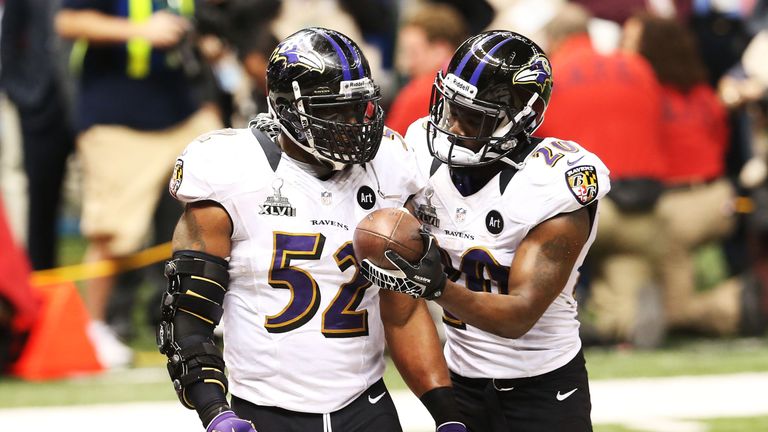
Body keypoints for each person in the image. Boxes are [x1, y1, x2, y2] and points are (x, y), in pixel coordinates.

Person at [158, 27, 467, 432]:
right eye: (335, 111)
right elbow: (188, 313)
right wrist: (216, 413)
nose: (354, 123)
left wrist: (447, 415)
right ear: (286, 109)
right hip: (264, 409)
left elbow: (404, 313)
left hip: (366, 404)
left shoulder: (390, 166)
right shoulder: (231, 170)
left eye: (358, 108)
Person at [360, 30, 610, 431]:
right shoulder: (422, 153)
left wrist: (438, 287)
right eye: (450, 108)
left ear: (521, 117)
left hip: (543, 388)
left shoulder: (551, 181)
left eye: (473, 117)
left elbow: (518, 317)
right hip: (462, 380)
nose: (454, 127)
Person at [55, 0, 223, 368]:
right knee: (114, 232)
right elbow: (66, 20)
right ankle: (94, 328)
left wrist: (208, 42)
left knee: (231, 207)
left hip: (185, 109)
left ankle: (226, 315)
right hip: (118, 117)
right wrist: (140, 31)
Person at [536, 3, 668, 348]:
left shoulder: (552, 76)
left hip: (588, 209)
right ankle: (625, 321)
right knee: (627, 262)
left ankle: (559, 320)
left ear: (554, 38)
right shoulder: (638, 66)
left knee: (538, 247)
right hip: (647, 209)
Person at [1, 0, 75, 271]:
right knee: (40, 200)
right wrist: (19, 91)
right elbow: (8, 38)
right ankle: (40, 281)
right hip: (37, 103)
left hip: (85, 103)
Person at [386, 3, 468, 135]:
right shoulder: (472, 87)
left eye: (413, 53)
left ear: (440, 51)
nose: (405, 65)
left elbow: (390, 142)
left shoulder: (418, 94)